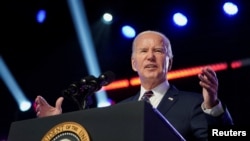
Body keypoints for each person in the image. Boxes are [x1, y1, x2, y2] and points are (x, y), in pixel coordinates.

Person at [35, 30, 233, 140]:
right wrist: (55, 126)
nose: (150, 56)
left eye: (158, 50)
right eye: (143, 51)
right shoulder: (120, 110)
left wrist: (213, 107)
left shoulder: (194, 104)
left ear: (169, 62)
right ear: (133, 63)